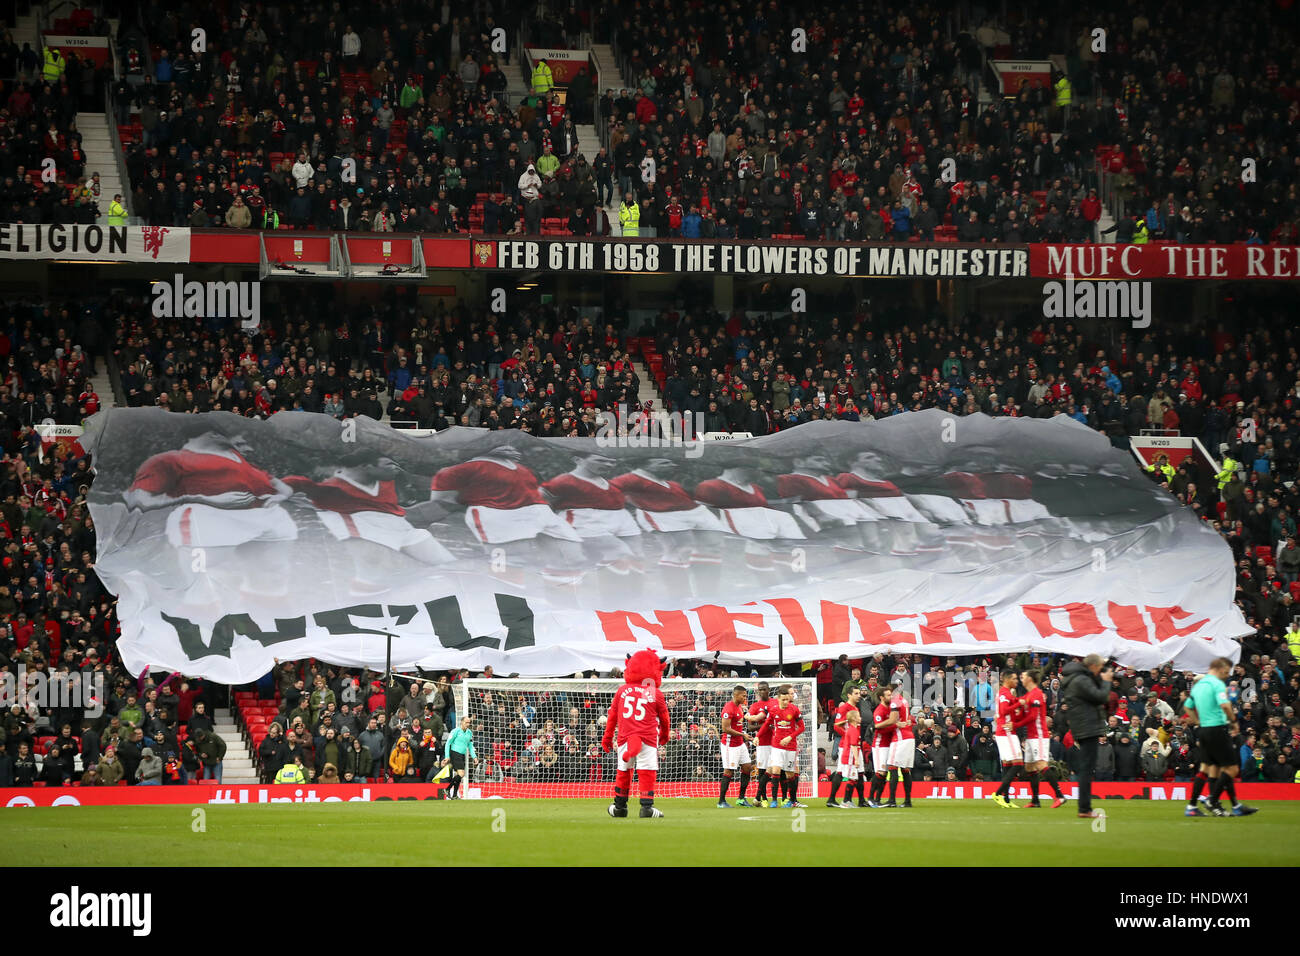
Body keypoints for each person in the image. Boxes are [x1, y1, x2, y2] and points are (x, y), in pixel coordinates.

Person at [1183, 657, 1258, 817]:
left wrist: (1198, 722)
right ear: (1220, 668)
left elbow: (1187, 707)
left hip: (1204, 730)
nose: (1226, 675)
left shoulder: (1197, 687)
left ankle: (1192, 807)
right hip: (1217, 729)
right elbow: (1225, 705)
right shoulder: (1217, 684)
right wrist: (1233, 721)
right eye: (1226, 672)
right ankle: (1213, 800)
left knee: (1209, 768)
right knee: (1231, 768)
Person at [601, 649, 671, 818]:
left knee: (624, 771)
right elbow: (664, 718)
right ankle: (646, 808)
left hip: (625, 738)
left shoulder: (622, 690)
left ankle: (619, 807)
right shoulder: (655, 692)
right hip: (647, 738)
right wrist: (664, 735)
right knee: (647, 771)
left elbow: (612, 717)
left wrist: (607, 737)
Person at [1059, 653, 1113, 819]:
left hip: (1083, 726)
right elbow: (1101, 697)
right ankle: (1084, 808)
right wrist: (1106, 681)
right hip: (1087, 726)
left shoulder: (1078, 678)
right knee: (1086, 770)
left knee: (1086, 769)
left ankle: (1085, 807)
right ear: (1093, 666)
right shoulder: (1080, 680)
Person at [1018, 669, 1067, 808]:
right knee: (1029, 768)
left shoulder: (1037, 694)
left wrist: (1016, 723)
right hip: (1030, 736)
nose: (1022, 678)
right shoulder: (1028, 695)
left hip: (1039, 735)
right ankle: (1035, 800)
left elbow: (1033, 716)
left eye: (1024, 676)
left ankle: (1059, 796)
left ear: (1031, 679)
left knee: (1041, 765)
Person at [758, 683, 806, 808]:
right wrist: (757, 736)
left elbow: (802, 727)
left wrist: (790, 736)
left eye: (787, 699)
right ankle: (774, 800)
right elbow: (766, 724)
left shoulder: (794, 709)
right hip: (776, 746)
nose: (786, 702)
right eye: (783, 699)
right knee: (775, 770)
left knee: (790, 774)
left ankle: (792, 800)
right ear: (778, 698)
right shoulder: (773, 710)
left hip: (790, 746)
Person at [717, 684, 755, 808]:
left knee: (747, 767)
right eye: (743, 695)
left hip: (739, 743)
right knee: (729, 771)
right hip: (729, 744)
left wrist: (743, 735)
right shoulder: (728, 708)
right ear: (736, 695)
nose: (745, 697)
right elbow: (725, 728)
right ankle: (721, 801)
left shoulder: (739, 707)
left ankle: (741, 798)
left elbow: (737, 726)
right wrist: (742, 735)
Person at [991, 671, 1026, 808]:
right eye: (1014, 678)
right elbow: (1005, 710)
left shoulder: (1004, 693)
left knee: (1007, 766)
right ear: (1007, 679)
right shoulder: (1005, 694)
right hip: (1007, 733)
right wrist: (1019, 703)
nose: (1017, 681)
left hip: (1003, 731)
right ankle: (998, 793)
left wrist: (1018, 703)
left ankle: (1006, 799)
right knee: (1018, 764)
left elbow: (1002, 712)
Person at [826, 685, 862, 807]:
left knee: (851, 772)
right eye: (856, 693)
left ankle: (858, 800)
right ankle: (846, 800)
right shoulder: (844, 708)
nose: (859, 695)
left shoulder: (855, 708)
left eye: (859, 693)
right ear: (849, 695)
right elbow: (836, 726)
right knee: (851, 773)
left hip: (853, 744)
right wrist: (849, 736)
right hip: (848, 746)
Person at [884, 677, 915, 807]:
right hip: (909, 736)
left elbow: (893, 721)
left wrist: (878, 725)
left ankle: (892, 800)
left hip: (900, 737)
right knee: (905, 769)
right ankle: (907, 801)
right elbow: (907, 719)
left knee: (892, 767)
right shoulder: (905, 701)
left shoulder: (895, 702)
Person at [746, 681, 775, 807]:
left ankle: (781, 798)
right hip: (762, 743)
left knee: (777, 771)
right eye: (760, 690)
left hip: (776, 742)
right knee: (763, 771)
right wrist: (764, 726)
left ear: (769, 689)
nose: (762, 691)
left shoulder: (775, 702)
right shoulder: (755, 706)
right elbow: (750, 727)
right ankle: (763, 798)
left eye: (764, 689)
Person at [867, 684, 896, 807]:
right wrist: (895, 725)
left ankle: (878, 799)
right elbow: (878, 729)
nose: (891, 696)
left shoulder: (891, 709)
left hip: (889, 744)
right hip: (880, 745)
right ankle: (870, 797)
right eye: (888, 695)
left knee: (884, 773)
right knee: (880, 772)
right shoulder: (879, 710)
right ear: (881, 697)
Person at [832, 710, 864, 809]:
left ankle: (848, 800)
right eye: (859, 716)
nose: (860, 718)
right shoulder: (853, 730)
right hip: (850, 758)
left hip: (850, 757)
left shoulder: (851, 729)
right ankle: (846, 801)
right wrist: (857, 760)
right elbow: (853, 746)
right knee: (852, 778)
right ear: (854, 718)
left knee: (854, 778)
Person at [441, 715, 478, 798]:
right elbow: (448, 743)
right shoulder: (455, 731)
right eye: (466, 722)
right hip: (455, 753)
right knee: (461, 774)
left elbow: (470, 746)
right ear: (461, 722)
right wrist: (447, 756)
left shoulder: (469, 733)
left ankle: (454, 795)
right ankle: (447, 789)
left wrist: (474, 757)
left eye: (469, 722)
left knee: (458, 775)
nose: (468, 724)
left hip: (462, 755)